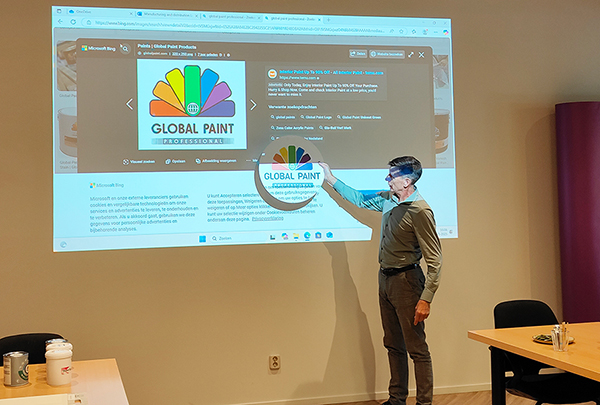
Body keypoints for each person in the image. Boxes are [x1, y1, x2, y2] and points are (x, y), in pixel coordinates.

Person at [319, 156, 442, 405]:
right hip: (385, 279)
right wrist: (330, 178)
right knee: (393, 344)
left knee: (417, 348)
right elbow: (358, 198)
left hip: (407, 282)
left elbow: (435, 260)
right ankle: (396, 400)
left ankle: (424, 403)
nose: (387, 179)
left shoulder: (420, 211)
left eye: (391, 176)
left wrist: (426, 299)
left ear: (407, 181)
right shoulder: (388, 199)